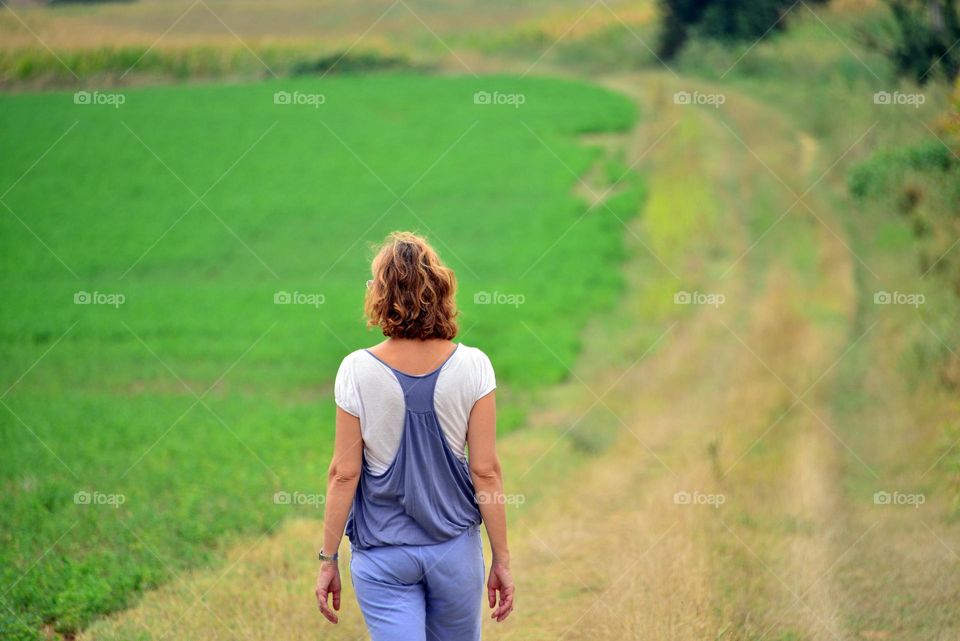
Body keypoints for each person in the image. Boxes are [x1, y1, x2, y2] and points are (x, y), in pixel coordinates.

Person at [315, 231, 515, 640]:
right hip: (455, 551)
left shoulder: (355, 369)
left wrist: (327, 559)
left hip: (382, 556)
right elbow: (486, 471)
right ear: (439, 290)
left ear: (382, 295)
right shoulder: (475, 366)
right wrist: (502, 559)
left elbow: (343, 474)